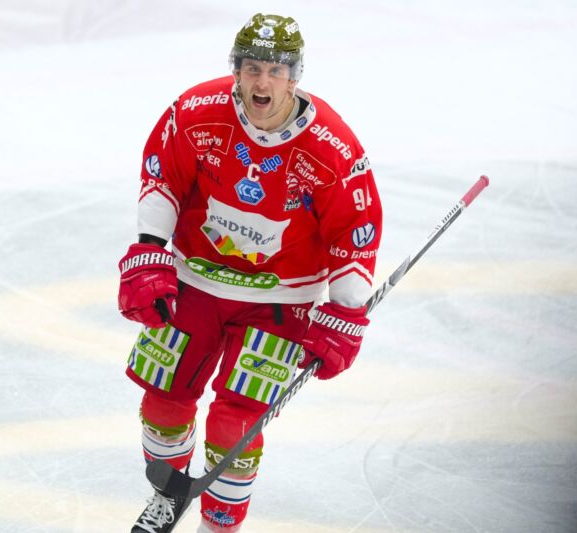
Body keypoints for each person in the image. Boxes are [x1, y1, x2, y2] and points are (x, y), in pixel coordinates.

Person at [118, 13, 382, 533]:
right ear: (236, 69)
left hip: (280, 298)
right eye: (253, 68)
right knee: (163, 405)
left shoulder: (332, 148)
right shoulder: (197, 111)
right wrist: (149, 250)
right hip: (195, 278)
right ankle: (168, 494)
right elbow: (163, 176)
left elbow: (356, 229)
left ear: (294, 77)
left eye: (276, 70)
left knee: (234, 424)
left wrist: (346, 311)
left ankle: (219, 526)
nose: (263, 82)